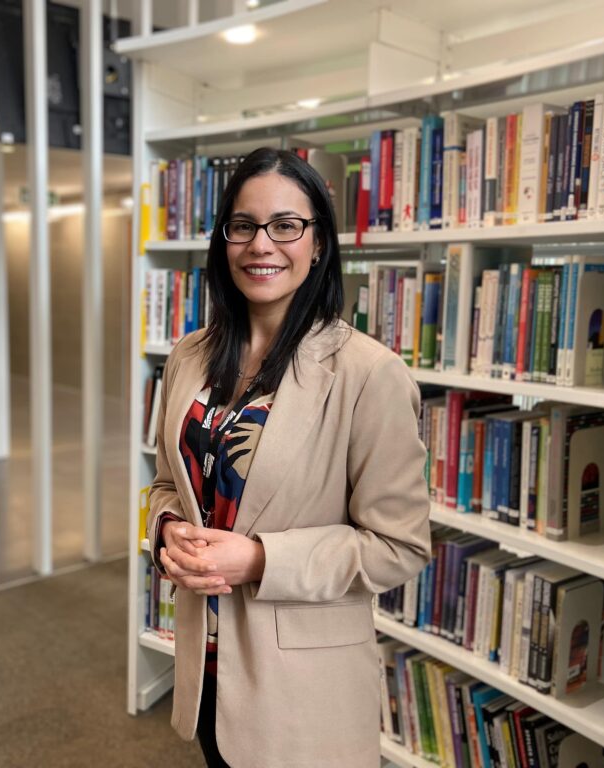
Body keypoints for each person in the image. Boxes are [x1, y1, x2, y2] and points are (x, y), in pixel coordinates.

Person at [145, 147, 431, 767]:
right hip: (207, 665)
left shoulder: (368, 374)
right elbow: (169, 482)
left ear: (319, 242)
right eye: (243, 226)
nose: (261, 245)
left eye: (286, 225)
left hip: (303, 689)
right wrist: (167, 530)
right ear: (224, 240)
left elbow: (399, 547)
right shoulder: (191, 355)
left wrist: (259, 559)